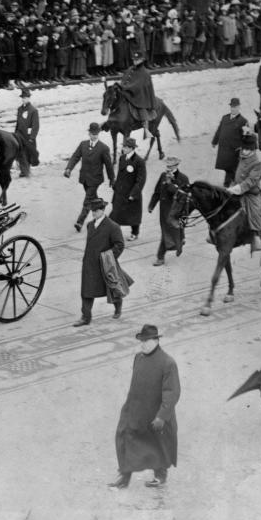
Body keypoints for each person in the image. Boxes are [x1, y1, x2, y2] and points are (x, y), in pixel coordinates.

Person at [109, 324, 180, 489]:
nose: (142, 344)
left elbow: (172, 392)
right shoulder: (138, 358)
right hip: (135, 411)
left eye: (146, 341)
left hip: (155, 416)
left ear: (156, 340)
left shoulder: (168, 363)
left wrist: (161, 416)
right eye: (142, 341)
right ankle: (124, 479)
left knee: (158, 447)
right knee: (124, 440)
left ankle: (160, 477)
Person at [74, 198, 126, 326]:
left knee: (113, 288)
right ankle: (86, 317)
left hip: (106, 265)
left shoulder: (113, 226)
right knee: (86, 291)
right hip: (90, 264)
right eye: (92, 211)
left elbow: (119, 245)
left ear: (103, 210)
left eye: (96, 211)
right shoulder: (90, 225)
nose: (93, 213)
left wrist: (108, 258)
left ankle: (118, 307)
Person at [64, 122, 115, 232]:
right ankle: (101, 209)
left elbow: (108, 165)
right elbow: (75, 156)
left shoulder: (103, 148)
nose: (94, 136)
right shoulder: (83, 144)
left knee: (87, 200)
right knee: (93, 199)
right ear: (89, 133)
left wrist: (112, 178)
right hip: (84, 178)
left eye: (96, 134)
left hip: (95, 179)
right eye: (92, 133)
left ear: (99, 134)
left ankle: (79, 222)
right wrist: (69, 168)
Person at [227, 132, 261, 254]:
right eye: (243, 148)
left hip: (251, 194)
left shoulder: (258, 164)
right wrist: (231, 187)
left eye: (248, 149)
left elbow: (250, 181)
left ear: (253, 149)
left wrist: (237, 188)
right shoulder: (241, 158)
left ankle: (256, 238)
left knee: (254, 213)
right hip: (237, 189)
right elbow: (237, 176)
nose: (244, 151)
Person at [147, 156, 189, 266]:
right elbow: (157, 191)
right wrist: (152, 205)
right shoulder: (163, 176)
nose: (168, 169)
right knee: (167, 232)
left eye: (170, 167)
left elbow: (183, 196)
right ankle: (179, 242)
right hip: (164, 210)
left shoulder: (183, 178)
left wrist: (170, 184)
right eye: (167, 166)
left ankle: (160, 257)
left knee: (170, 233)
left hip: (176, 212)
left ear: (176, 166)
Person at [110, 138, 147, 241]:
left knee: (133, 215)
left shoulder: (139, 161)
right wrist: (115, 186)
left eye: (125, 147)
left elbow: (141, 180)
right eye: (123, 146)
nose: (123, 148)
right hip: (120, 192)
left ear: (131, 148)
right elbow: (120, 175)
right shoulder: (122, 158)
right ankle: (114, 234)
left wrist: (133, 194)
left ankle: (135, 233)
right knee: (115, 214)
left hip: (131, 193)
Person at [118, 50, 157, 135]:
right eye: (134, 60)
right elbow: (125, 79)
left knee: (140, 108)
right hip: (128, 92)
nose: (135, 61)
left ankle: (145, 126)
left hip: (140, 95)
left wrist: (126, 87)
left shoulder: (145, 73)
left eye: (137, 60)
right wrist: (121, 85)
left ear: (142, 60)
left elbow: (138, 85)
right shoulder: (130, 69)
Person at [211, 97, 249, 187]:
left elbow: (246, 136)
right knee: (227, 168)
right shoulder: (225, 118)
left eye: (235, 107)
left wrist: (243, 147)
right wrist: (214, 141)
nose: (233, 109)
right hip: (224, 148)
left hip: (235, 150)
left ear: (239, 107)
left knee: (233, 168)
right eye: (232, 106)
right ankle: (229, 184)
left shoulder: (243, 121)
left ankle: (229, 185)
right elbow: (219, 130)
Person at [13, 88, 40, 177]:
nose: (24, 99)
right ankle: (23, 170)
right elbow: (18, 122)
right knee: (21, 153)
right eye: (23, 98)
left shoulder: (33, 110)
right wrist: (15, 133)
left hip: (28, 136)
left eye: (26, 97)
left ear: (29, 98)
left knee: (28, 153)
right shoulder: (20, 109)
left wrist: (32, 137)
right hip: (19, 134)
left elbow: (35, 125)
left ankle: (26, 170)